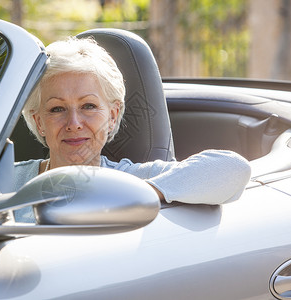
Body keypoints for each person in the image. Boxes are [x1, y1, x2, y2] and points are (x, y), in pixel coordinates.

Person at [14, 37, 251, 211]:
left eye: (88, 106)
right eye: (57, 109)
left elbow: (233, 169)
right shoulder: (2, 178)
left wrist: (134, 194)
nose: (74, 123)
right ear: (39, 121)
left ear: (113, 116)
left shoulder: (132, 179)